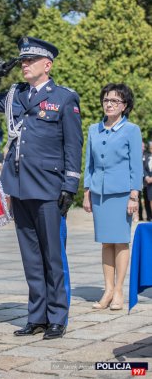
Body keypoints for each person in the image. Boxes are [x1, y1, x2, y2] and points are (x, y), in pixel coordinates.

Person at [0, 36, 83, 339]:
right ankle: (36, 315)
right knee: (30, 256)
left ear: (47, 65)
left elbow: (73, 145)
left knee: (52, 256)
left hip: (49, 187)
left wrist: (70, 185)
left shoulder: (63, 98)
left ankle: (57, 317)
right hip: (19, 185)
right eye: (22, 60)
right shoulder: (15, 95)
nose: (23, 64)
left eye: (30, 60)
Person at [83, 83, 142, 311]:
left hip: (122, 194)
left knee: (120, 240)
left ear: (124, 106)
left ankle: (118, 290)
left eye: (115, 101)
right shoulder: (93, 129)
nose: (109, 104)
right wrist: (87, 192)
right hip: (99, 194)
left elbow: (135, 166)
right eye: (106, 100)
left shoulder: (132, 130)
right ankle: (107, 289)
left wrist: (134, 196)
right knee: (106, 241)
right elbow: (90, 164)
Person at [144, 141, 152, 217]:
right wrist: (146, 177)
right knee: (151, 199)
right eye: (150, 147)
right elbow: (143, 168)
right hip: (149, 181)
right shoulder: (146, 156)